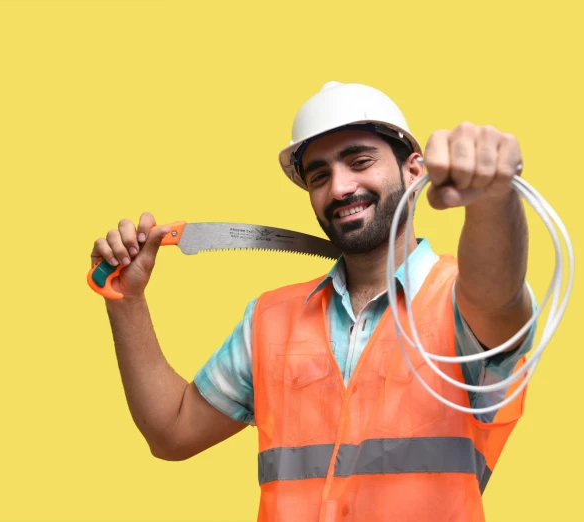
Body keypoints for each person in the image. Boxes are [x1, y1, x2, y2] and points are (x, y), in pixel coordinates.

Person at [91, 81, 537, 521]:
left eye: (360, 161)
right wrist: (126, 301)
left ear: (415, 170)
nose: (340, 188)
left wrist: (491, 195)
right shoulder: (270, 319)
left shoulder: (463, 302)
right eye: (319, 176)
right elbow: (172, 433)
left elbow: (497, 297)